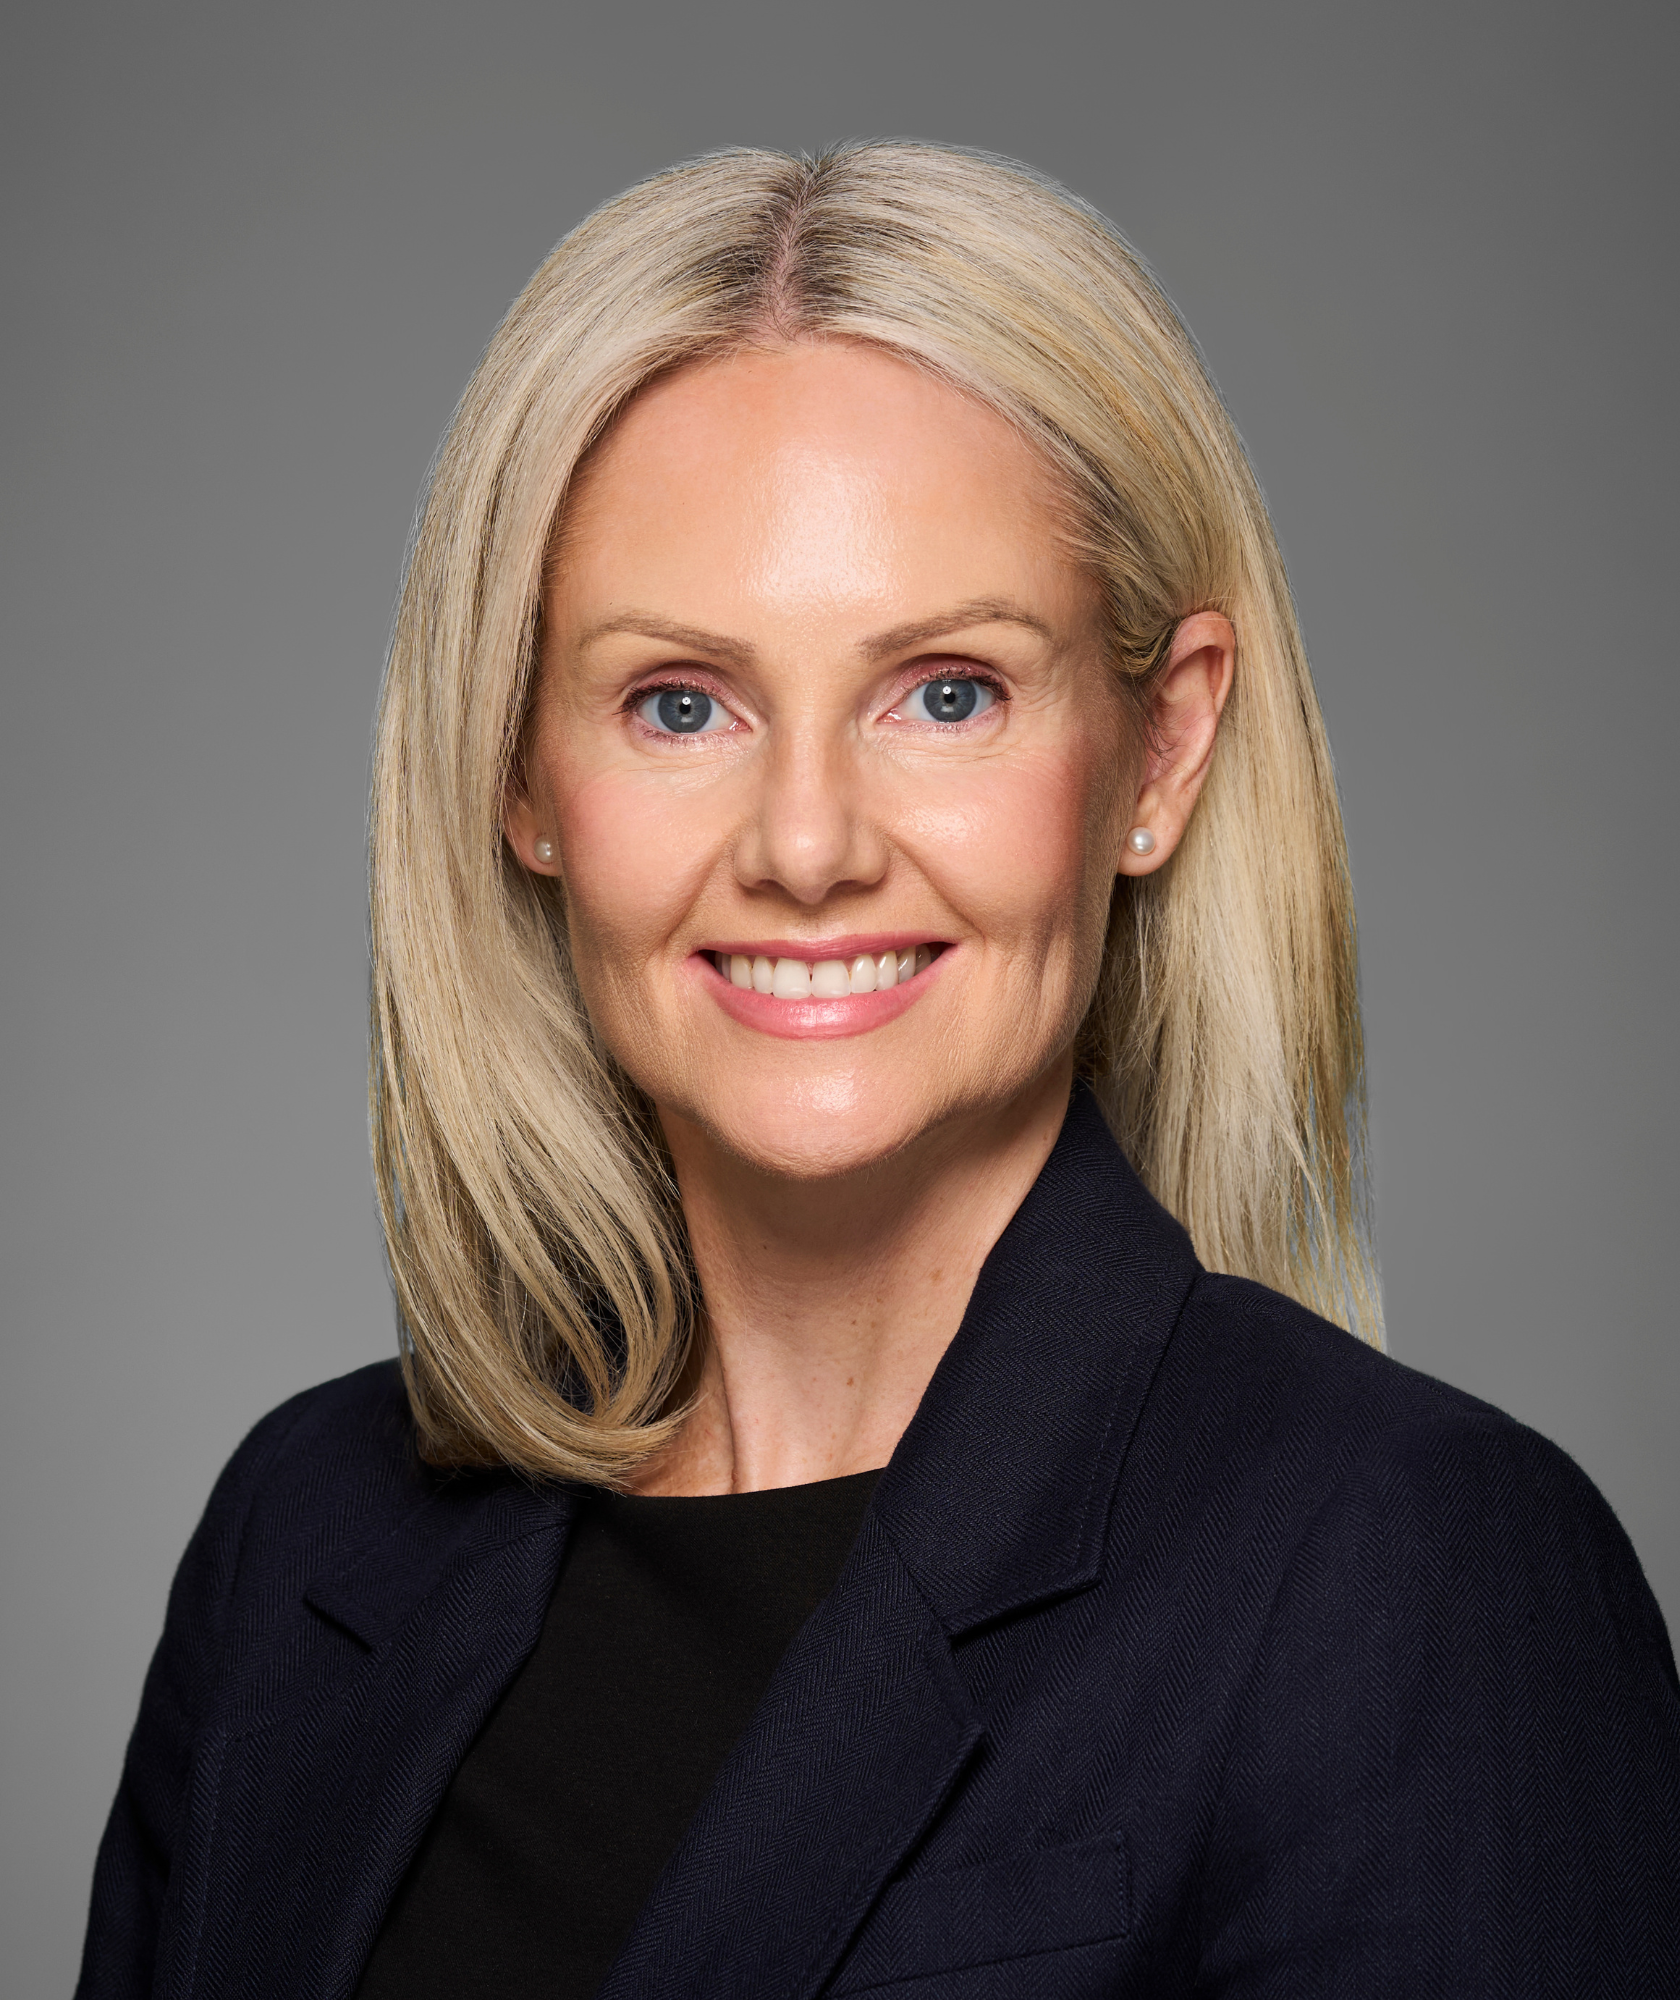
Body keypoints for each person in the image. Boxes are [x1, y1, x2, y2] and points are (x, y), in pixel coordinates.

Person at [76, 143, 1678, 2000]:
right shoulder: (306, 1532)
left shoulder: (1417, 1574)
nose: (811, 843)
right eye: (680, 702)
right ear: (519, 777)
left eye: (947, 692)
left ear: (1159, 752)